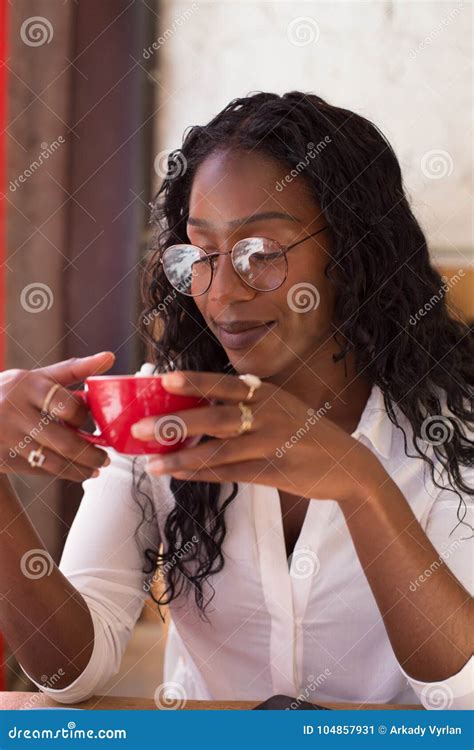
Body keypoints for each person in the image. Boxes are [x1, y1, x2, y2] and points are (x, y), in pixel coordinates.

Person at [0, 92, 472, 709]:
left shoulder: (452, 425)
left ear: (354, 252)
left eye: (260, 253)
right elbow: (68, 674)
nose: (221, 292)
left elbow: (464, 696)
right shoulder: (159, 413)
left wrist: (360, 484)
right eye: (201, 255)